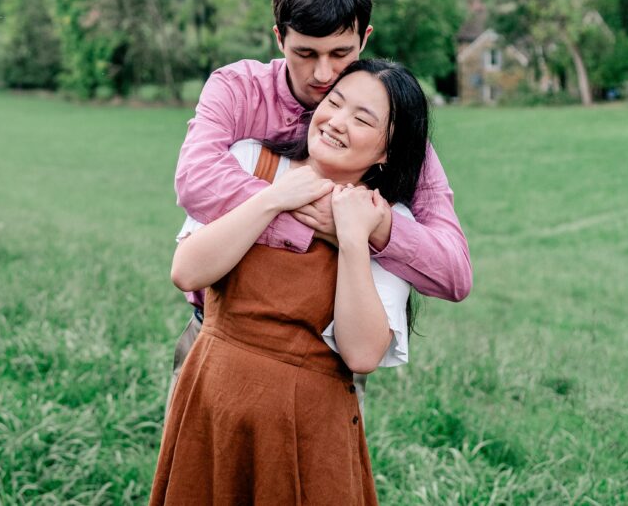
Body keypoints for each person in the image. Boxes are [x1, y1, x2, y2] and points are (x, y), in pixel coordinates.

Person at [167, 0, 472, 409]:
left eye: (341, 54)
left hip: (323, 363)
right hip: (215, 337)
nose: (324, 74)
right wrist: (318, 217)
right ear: (279, 37)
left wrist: (371, 230)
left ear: (365, 38)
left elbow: (453, 273)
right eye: (305, 53)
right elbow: (196, 180)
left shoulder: (393, 132)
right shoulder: (238, 89)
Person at [150, 59, 431, 504]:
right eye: (335, 103)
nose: (338, 122)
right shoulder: (250, 162)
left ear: (387, 152)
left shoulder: (389, 221)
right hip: (209, 403)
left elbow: (361, 354)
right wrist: (274, 198)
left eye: (362, 119)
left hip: (307, 431)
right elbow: (187, 270)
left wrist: (354, 239)